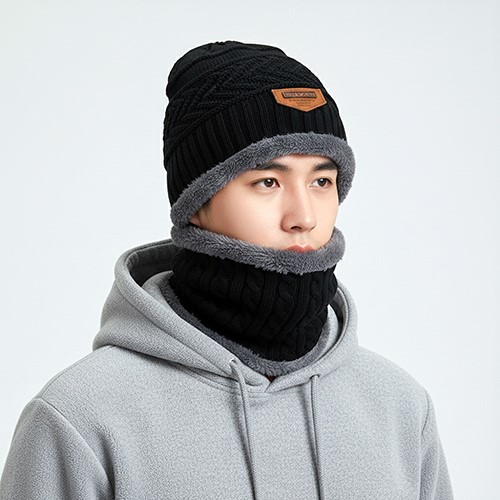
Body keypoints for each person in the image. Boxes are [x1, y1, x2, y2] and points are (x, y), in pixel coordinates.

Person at [0, 41, 454, 499]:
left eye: (322, 181)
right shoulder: (81, 418)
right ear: (196, 203)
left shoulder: (400, 408)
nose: (304, 216)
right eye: (268, 182)